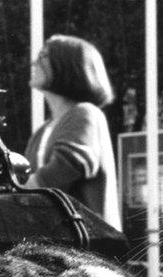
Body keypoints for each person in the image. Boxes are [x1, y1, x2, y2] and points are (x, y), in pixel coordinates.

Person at [26, 34, 122, 231]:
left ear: (67, 66)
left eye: (43, 56)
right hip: (61, 242)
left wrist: (20, 191)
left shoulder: (85, 114)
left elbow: (69, 164)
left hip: (90, 245)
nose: (34, 63)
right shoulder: (43, 130)